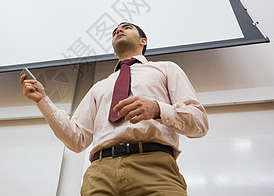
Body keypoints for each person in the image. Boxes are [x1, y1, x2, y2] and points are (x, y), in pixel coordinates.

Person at [20, 22, 209, 195]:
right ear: (113, 51)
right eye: (115, 31)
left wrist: (158, 109)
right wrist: (43, 101)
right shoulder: (99, 87)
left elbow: (199, 123)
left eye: (126, 28)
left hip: (155, 167)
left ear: (143, 41)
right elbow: (76, 139)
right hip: (100, 174)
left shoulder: (166, 69)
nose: (119, 30)